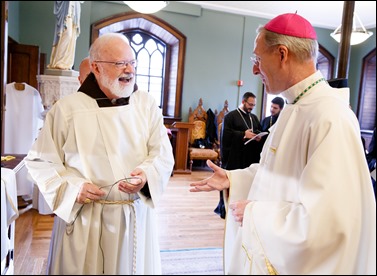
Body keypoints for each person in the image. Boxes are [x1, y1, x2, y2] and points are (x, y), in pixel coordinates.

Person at [190, 13, 376, 275]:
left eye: (257, 59)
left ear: (282, 54)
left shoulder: (330, 116)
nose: (254, 69)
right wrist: (233, 179)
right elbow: (278, 175)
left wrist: (255, 214)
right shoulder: (294, 107)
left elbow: (331, 221)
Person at [24, 33, 175, 275]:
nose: (128, 70)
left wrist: (146, 175)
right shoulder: (69, 109)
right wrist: (74, 188)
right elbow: (40, 161)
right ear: (95, 67)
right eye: (119, 64)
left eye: (132, 63)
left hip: (134, 217)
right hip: (87, 218)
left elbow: (162, 153)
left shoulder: (146, 104)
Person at [214, 92, 263, 219]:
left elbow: (257, 129)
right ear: (243, 101)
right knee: (232, 182)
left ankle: (242, 208)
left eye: (254, 105)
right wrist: (242, 135)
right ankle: (225, 207)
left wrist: (257, 136)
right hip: (234, 157)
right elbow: (226, 136)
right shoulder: (230, 116)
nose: (252, 107)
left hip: (249, 157)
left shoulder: (253, 117)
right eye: (250, 104)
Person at [47, 1, 83, 70]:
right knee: (67, 35)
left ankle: (67, 63)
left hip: (74, 13)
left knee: (72, 39)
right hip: (66, 14)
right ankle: (59, 61)